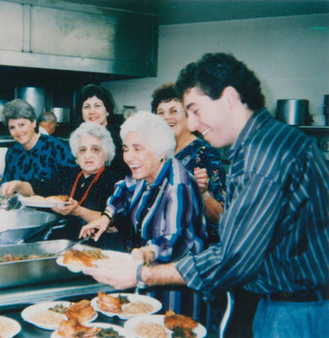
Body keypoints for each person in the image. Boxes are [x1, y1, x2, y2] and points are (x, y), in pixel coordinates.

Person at [83, 53, 329, 338]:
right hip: (289, 304)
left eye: (195, 110)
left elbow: (234, 257)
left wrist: (141, 273)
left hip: (300, 313)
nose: (194, 124)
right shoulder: (265, 143)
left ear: (229, 98)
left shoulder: (263, 154)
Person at [79, 111, 208, 316]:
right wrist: (106, 217)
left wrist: (147, 252)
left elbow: (177, 239)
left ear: (160, 151)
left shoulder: (178, 185)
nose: (129, 157)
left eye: (137, 149)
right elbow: (122, 189)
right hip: (147, 278)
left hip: (177, 288)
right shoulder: (144, 174)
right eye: (126, 149)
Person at [2, 122, 123, 248]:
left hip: (97, 246)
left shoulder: (116, 182)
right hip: (63, 244)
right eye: (82, 150)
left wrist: (78, 211)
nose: (88, 155)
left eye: (95, 149)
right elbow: (38, 188)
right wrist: (18, 185)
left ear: (106, 155)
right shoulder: (69, 173)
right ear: (77, 155)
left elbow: (114, 223)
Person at [151, 83, 226, 242]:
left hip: (192, 247)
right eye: (160, 112)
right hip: (158, 242)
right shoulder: (154, 152)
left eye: (173, 111)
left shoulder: (205, 154)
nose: (166, 117)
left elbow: (221, 216)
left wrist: (203, 193)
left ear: (188, 115)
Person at [1, 99, 76, 193]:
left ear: (34, 123)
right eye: (12, 127)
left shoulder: (56, 146)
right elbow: (7, 185)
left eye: (22, 125)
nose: (18, 132)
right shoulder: (12, 153)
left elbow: (73, 182)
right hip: (21, 207)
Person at [75, 84, 130, 176]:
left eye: (97, 105)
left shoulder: (119, 137)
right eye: (86, 107)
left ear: (107, 110)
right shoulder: (78, 138)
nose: (92, 111)